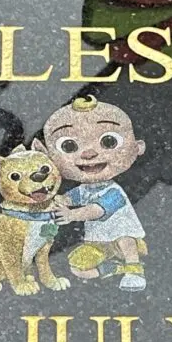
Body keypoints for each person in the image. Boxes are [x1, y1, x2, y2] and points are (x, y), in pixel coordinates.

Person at [44, 96, 151, 292]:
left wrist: (71, 215)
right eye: (69, 146)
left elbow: (97, 210)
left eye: (108, 141)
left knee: (125, 240)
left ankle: (134, 270)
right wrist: (61, 200)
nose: (88, 154)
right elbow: (74, 196)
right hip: (97, 241)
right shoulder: (85, 188)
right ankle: (115, 268)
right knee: (77, 268)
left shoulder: (113, 191)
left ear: (138, 147)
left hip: (120, 237)